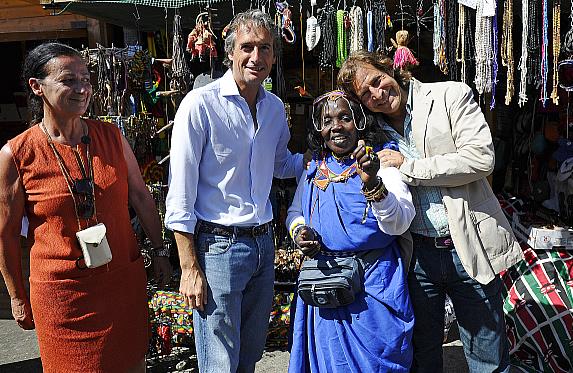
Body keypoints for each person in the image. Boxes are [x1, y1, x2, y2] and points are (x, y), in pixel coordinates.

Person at [337, 50, 524, 373]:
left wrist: (410, 167)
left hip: (466, 245)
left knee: (486, 355)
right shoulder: (374, 135)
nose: (378, 95)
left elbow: (480, 158)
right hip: (417, 255)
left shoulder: (450, 95)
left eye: (378, 81)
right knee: (423, 354)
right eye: (366, 94)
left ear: (390, 70)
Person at [0, 42, 171, 373]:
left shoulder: (110, 136)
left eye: (85, 78)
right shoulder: (17, 155)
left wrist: (161, 250)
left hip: (122, 282)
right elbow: (6, 235)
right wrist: (17, 297)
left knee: (131, 364)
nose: (82, 88)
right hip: (64, 296)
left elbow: (140, 196)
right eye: (68, 80)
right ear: (37, 87)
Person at [164, 9, 304, 373]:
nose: (256, 57)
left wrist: (328, 159)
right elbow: (179, 196)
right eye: (247, 47)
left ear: (274, 55)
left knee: (249, 356)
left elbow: (282, 166)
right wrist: (189, 267)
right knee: (219, 362)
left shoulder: (274, 108)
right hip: (218, 249)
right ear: (230, 52)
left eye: (266, 48)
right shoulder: (200, 105)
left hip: (263, 245)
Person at [286, 90, 416, 372]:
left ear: (359, 121)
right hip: (326, 283)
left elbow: (400, 222)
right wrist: (300, 233)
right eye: (328, 119)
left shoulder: (383, 164)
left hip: (374, 285)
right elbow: (295, 213)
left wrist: (372, 183)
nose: (336, 126)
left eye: (345, 117)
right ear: (319, 129)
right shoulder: (313, 170)